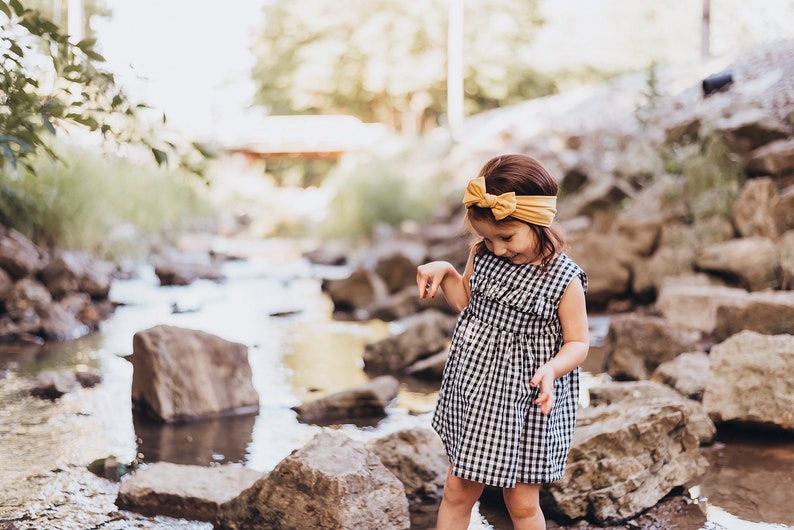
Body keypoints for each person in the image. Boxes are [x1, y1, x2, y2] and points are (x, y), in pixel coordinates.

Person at [416, 154, 589, 530]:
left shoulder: (564, 280)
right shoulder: (484, 255)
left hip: (527, 398)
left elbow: (578, 343)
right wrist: (445, 271)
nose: (496, 248)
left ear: (538, 222)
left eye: (506, 237)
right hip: (478, 392)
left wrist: (551, 369)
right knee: (458, 489)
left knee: (522, 501)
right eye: (487, 238)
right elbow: (465, 300)